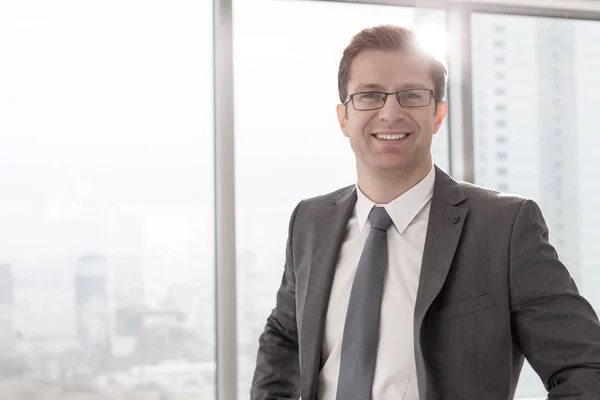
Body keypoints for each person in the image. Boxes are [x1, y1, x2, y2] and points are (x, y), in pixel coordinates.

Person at [250, 24, 600, 400]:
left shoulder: (504, 227)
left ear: (437, 114)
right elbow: (285, 338)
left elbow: (585, 367)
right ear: (343, 118)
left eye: (411, 95)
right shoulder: (310, 220)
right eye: (370, 95)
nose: (390, 113)